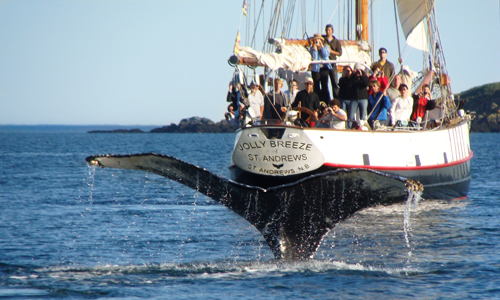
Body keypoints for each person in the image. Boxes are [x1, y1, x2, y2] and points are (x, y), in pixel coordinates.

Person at [308, 33, 331, 105]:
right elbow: (314, 58)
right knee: (316, 86)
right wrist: (314, 49)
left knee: (325, 85)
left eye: (318, 40)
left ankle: (327, 102)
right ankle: (318, 102)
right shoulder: (311, 48)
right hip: (316, 69)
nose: (317, 41)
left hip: (324, 68)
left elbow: (325, 55)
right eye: (315, 40)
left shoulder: (326, 46)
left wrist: (321, 47)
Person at [323, 24, 342, 99]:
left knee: (334, 83)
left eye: (329, 30)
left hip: (332, 64)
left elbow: (339, 53)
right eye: (327, 30)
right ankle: (326, 100)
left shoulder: (336, 42)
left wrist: (331, 51)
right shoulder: (323, 39)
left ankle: (336, 99)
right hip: (324, 64)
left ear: (332, 31)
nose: (328, 32)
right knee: (324, 84)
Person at [349, 63, 369, 129]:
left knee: (363, 115)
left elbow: (366, 83)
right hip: (354, 99)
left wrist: (361, 76)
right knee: (351, 115)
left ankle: (363, 128)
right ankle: (349, 128)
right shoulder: (352, 78)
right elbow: (350, 85)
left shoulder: (364, 77)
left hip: (363, 98)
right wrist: (352, 75)